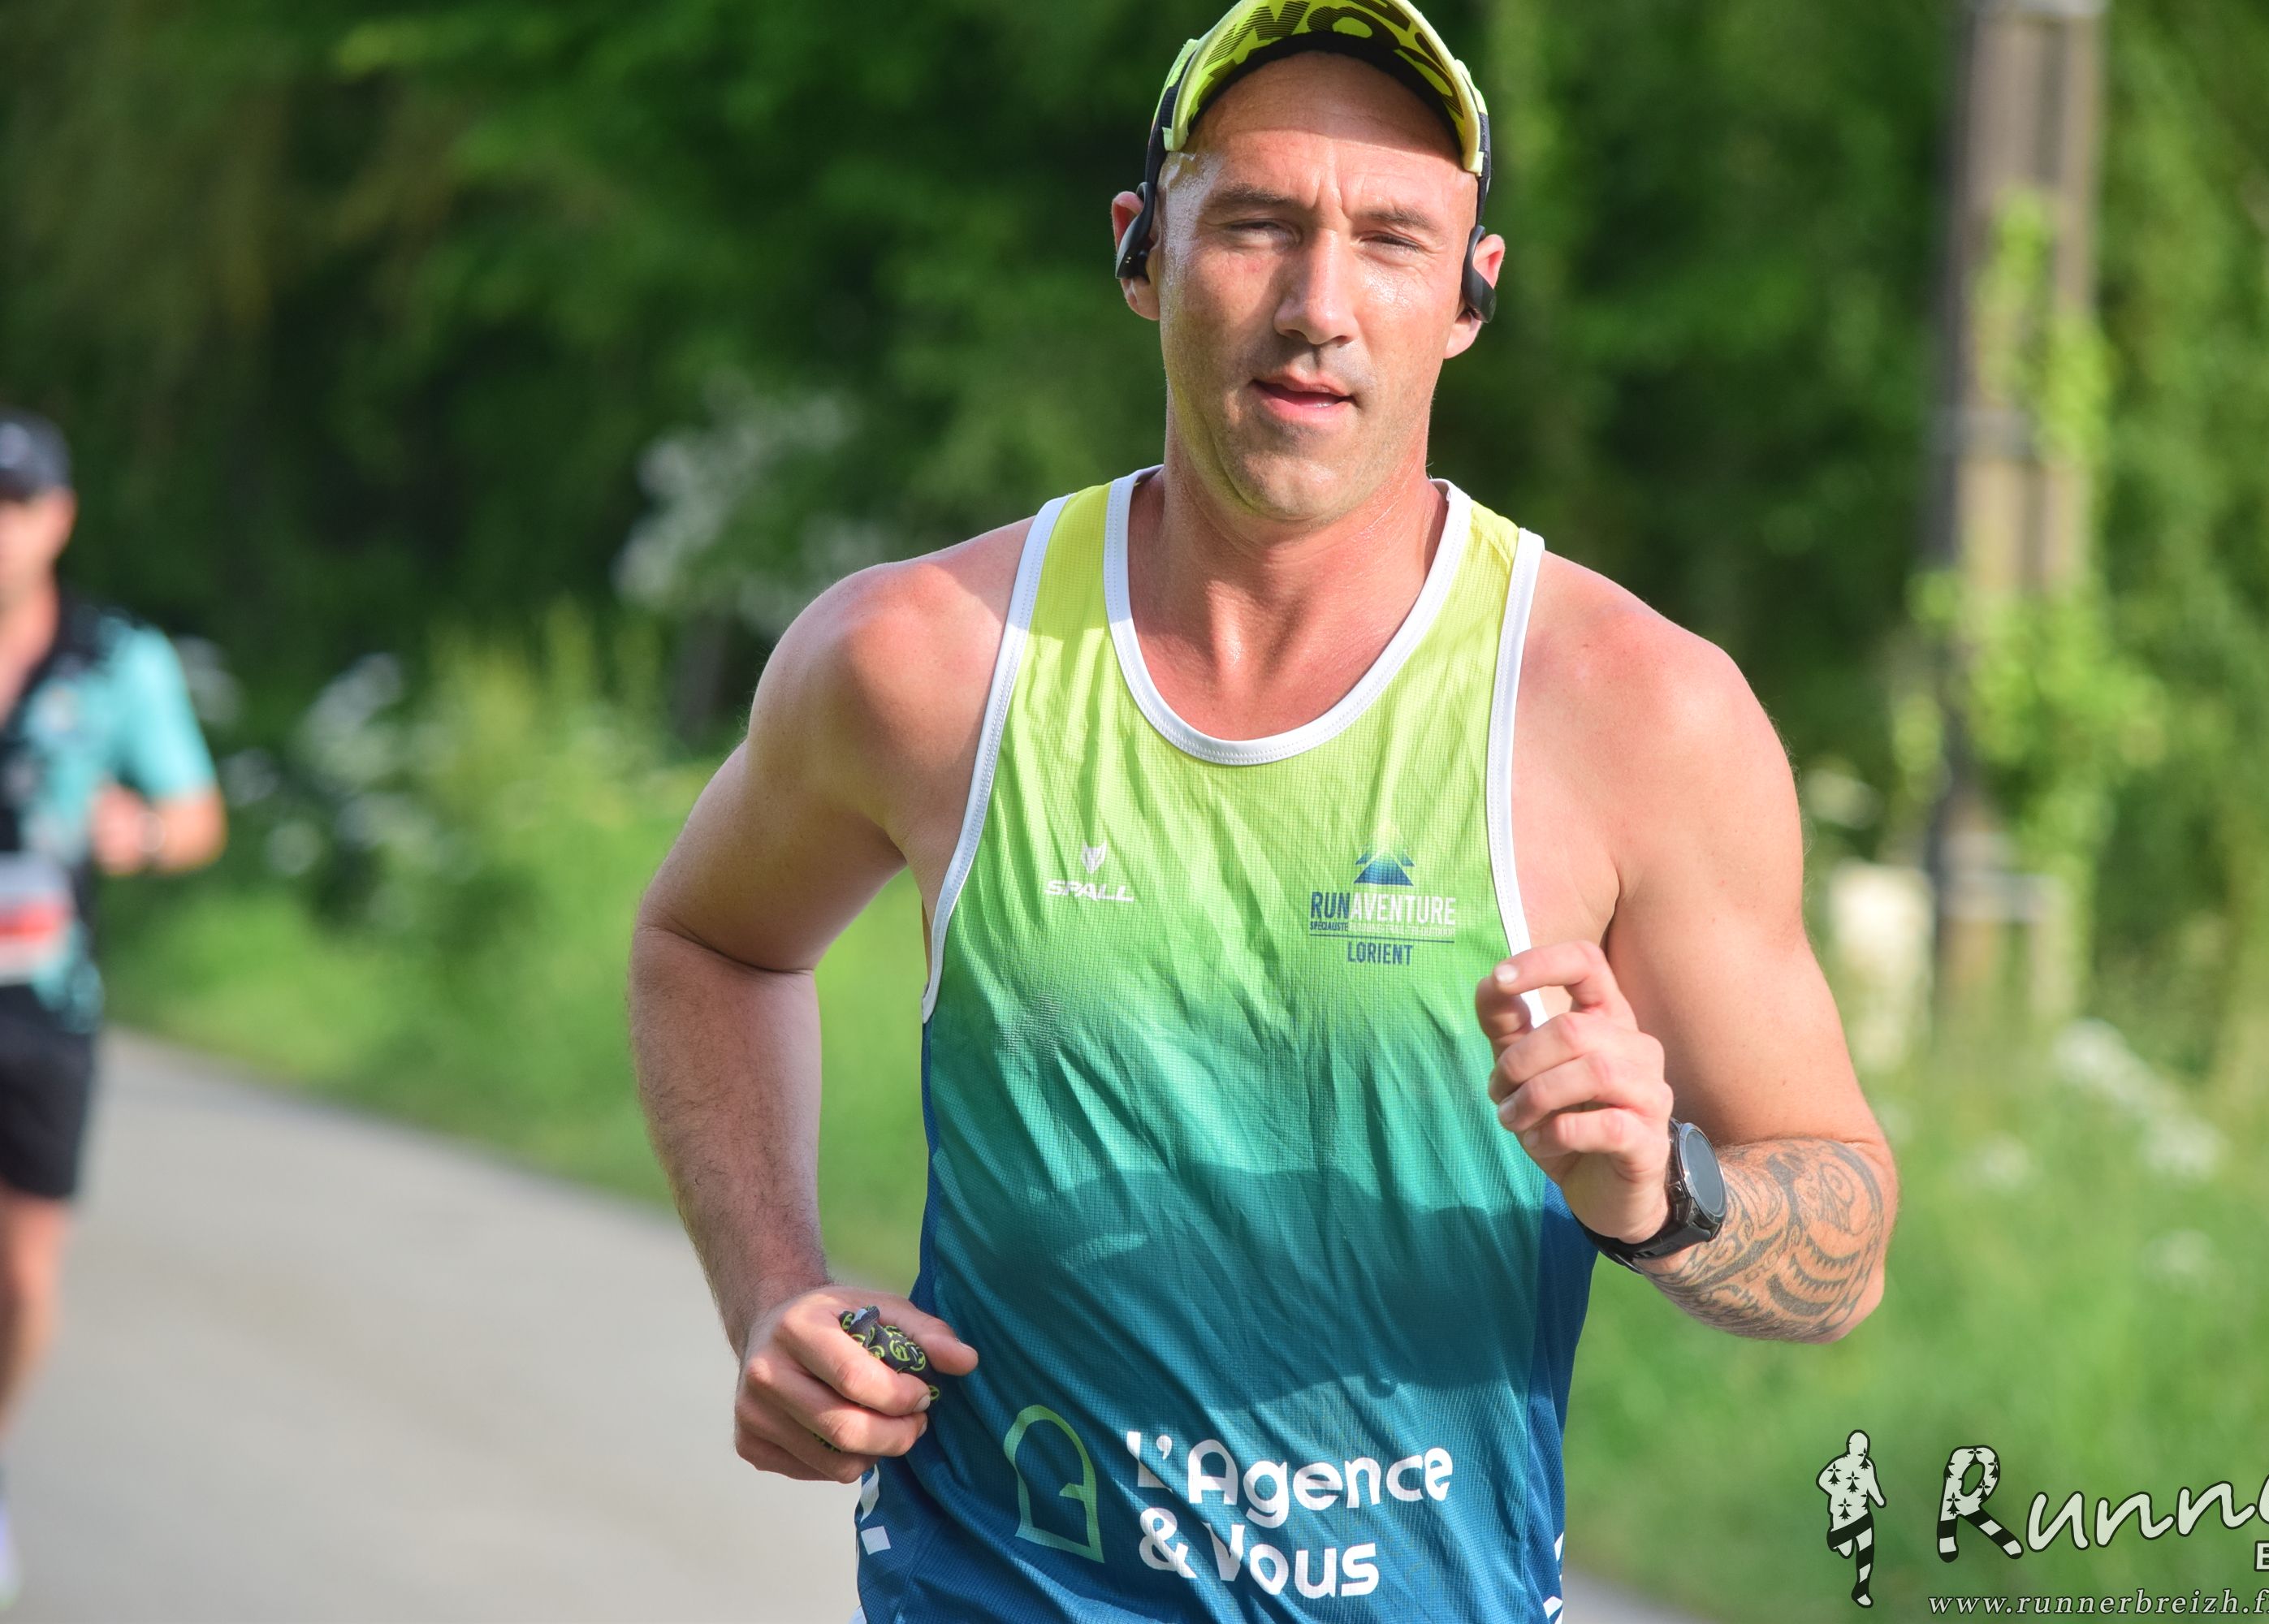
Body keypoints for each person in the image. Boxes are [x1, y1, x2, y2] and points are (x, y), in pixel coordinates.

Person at [630, 2, 1898, 1617]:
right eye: (1254, 225)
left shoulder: (1630, 709)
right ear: (1140, 251)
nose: (1318, 308)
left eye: (1390, 238)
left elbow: (1844, 1234)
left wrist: (1664, 1191)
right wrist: (770, 1290)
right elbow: (708, 944)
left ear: (1470, 294)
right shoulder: (925, 661)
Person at [0, 408, 224, 1603]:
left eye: (15, 506)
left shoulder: (115, 658)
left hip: (44, 1003)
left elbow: (196, 816)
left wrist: (135, 834)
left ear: (58, 518)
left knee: (23, 1281)